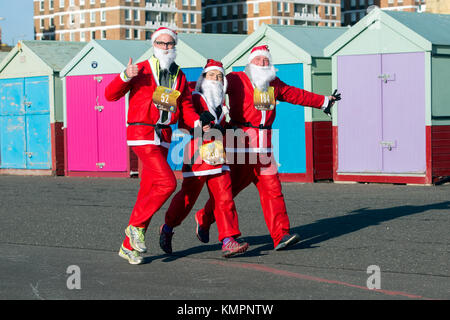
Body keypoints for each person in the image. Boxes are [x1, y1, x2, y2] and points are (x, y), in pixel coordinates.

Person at [194, 45, 341, 251]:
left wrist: (323, 101)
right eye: (258, 60)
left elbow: (295, 94)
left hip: (264, 145)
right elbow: (210, 87)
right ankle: (205, 216)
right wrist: (199, 110)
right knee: (230, 190)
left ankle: (281, 235)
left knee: (272, 189)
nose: (263, 63)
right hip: (239, 142)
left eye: (266, 60)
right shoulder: (236, 79)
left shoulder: (273, 84)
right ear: (250, 62)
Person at [104, 27, 203, 265]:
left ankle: (129, 247)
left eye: (169, 44)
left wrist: (199, 123)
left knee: (148, 191)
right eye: (161, 43)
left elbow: (186, 107)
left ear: (175, 45)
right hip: (143, 133)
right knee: (167, 183)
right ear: (153, 44)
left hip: (164, 137)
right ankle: (135, 227)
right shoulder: (141, 69)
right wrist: (125, 75)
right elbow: (109, 95)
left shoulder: (178, 74)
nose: (166, 47)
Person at [160, 59, 249, 258]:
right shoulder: (194, 97)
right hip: (197, 156)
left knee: (224, 198)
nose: (216, 80)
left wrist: (227, 128)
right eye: (212, 75)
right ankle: (167, 227)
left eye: (219, 77)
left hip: (218, 156)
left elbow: (218, 125)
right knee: (187, 198)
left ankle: (228, 240)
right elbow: (185, 120)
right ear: (203, 78)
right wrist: (201, 124)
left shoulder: (221, 104)